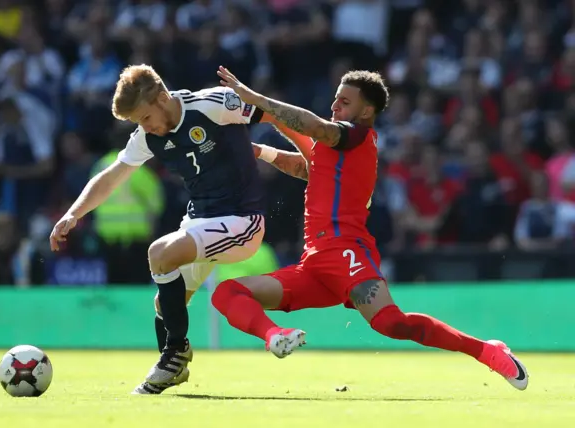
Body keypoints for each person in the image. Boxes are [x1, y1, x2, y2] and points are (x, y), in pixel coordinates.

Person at [210, 66, 529, 391]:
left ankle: (488, 351)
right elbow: (307, 166)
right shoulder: (334, 147)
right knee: (227, 292)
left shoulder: (357, 136)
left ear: (366, 111)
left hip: (346, 250)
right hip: (315, 264)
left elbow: (311, 126)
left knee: (391, 323)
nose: (335, 106)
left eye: (345, 101)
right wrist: (261, 146)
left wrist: (256, 100)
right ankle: (274, 336)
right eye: (336, 99)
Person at [49, 64, 269, 395]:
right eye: (138, 123)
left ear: (162, 98)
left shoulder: (213, 104)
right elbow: (111, 176)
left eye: (145, 118)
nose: (144, 127)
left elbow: (275, 115)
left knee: (159, 254)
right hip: (203, 221)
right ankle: (173, 367)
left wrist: (313, 153)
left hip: (243, 221)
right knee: (164, 307)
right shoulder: (148, 136)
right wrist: (73, 214)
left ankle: (175, 354)